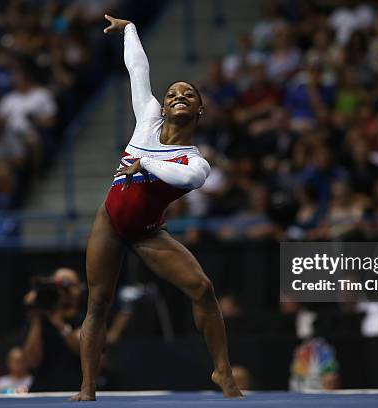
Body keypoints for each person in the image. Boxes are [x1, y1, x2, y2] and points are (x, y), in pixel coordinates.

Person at [71, 15, 242, 401]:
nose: (178, 96)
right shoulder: (147, 119)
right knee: (98, 301)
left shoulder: (195, 160)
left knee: (202, 287)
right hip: (110, 223)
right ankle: (87, 388)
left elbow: (185, 181)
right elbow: (137, 68)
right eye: (172, 94)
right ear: (163, 106)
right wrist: (130, 29)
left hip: (149, 232)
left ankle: (223, 373)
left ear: (199, 111)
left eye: (189, 95)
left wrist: (144, 163)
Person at [22, 268, 83, 392]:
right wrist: (37, 316)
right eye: (58, 286)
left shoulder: (85, 318)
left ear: (79, 289)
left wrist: (59, 324)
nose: (63, 291)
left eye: (68, 285)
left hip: (76, 392)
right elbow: (31, 362)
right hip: (42, 392)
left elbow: (81, 349)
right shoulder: (39, 320)